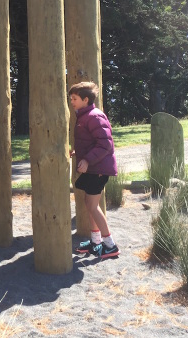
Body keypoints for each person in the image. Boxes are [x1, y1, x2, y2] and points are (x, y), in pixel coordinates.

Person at [69, 81, 120, 258]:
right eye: (71, 98)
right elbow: (91, 141)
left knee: (92, 206)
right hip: (94, 167)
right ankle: (96, 241)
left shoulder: (94, 116)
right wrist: (79, 152)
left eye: (74, 98)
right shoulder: (85, 115)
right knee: (90, 205)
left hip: (98, 168)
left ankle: (110, 245)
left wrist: (87, 160)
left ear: (85, 99)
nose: (71, 101)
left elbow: (105, 144)